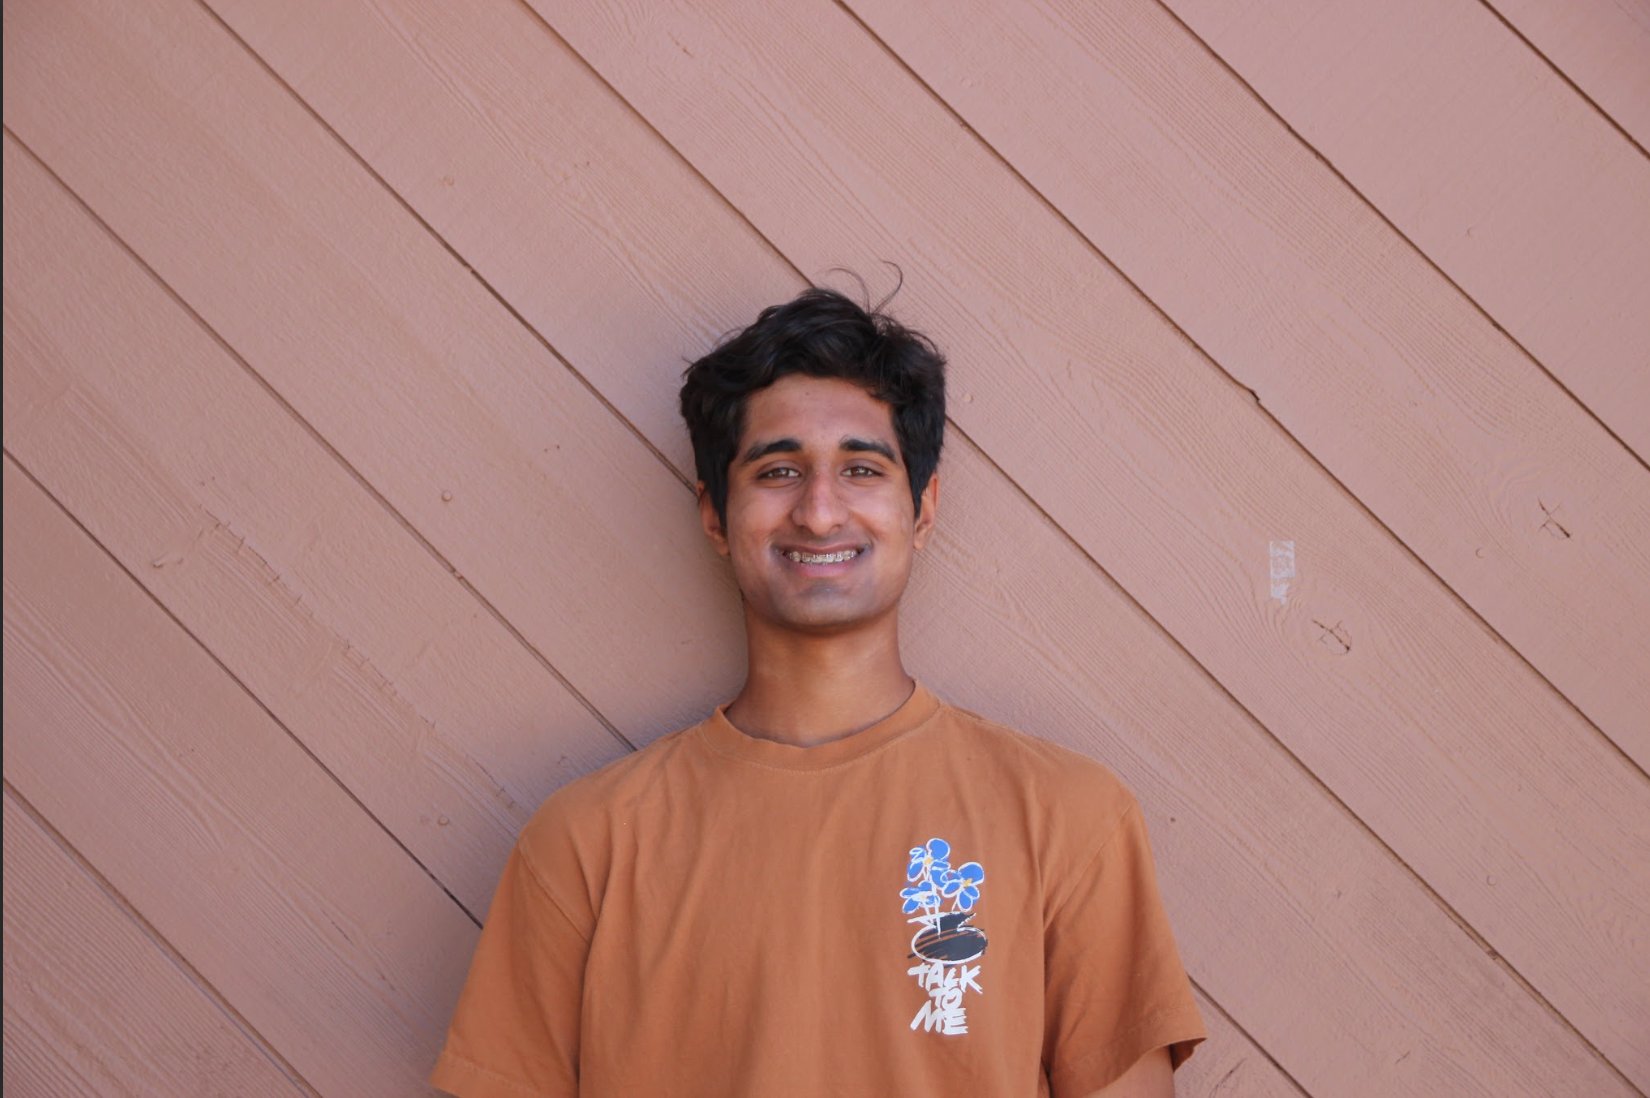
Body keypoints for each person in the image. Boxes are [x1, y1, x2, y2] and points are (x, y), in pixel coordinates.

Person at [429, 286, 1206, 1097]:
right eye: (778, 471)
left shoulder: (1068, 819)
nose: (820, 511)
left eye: (861, 469)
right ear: (715, 517)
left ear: (924, 509)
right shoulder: (586, 845)